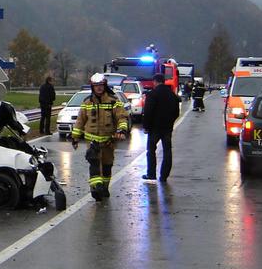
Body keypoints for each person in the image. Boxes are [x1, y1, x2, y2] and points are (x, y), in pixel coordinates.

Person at [71, 73, 129, 201]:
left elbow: (122, 117)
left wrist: (122, 129)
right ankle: (95, 189)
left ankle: (104, 188)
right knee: (94, 164)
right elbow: (80, 121)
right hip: (92, 142)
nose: (99, 88)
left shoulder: (113, 101)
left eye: (101, 85)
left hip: (108, 141)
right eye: (96, 85)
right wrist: (75, 137)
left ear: (105, 86)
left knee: (107, 166)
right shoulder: (87, 102)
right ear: (92, 87)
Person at [142, 73, 181, 183]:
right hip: (167, 128)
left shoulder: (152, 94)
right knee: (167, 151)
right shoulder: (172, 95)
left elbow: (148, 112)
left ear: (155, 82)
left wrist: (146, 126)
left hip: (154, 127)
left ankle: (151, 174)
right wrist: (170, 122)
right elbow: (177, 112)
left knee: (151, 151)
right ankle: (164, 176)